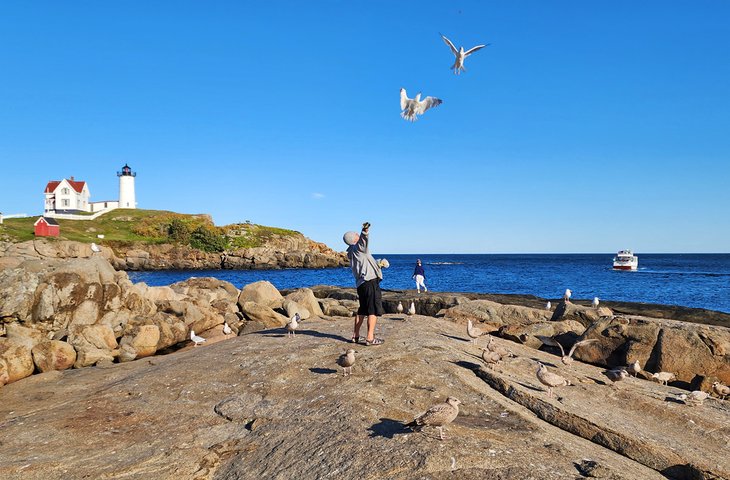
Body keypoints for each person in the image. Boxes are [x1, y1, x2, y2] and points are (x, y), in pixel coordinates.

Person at [343, 222, 384, 346]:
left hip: (361, 284)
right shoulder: (359, 248)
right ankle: (370, 338)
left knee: (362, 310)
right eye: (355, 234)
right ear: (353, 239)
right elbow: (364, 239)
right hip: (369, 282)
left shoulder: (351, 252)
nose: (357, 234)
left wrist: (379, 264)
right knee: (372, 311)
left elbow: (364, 264)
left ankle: (355, 336)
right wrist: (365, 229)